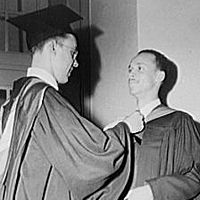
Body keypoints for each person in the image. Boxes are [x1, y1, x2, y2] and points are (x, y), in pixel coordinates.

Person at [0, 4, 144, 200]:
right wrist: (125, 127)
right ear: (53, 47)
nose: (75, 63)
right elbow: (90, 159)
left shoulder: (15, 101)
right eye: (73, 53)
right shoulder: (45, 99)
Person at [105, 49, 200, 200]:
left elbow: (195, 174)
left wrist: (152, 191)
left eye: (139, 68)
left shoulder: (178, 122)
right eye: (129, 69)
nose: (131, 74)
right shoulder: (121, 127)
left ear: (159, 76)